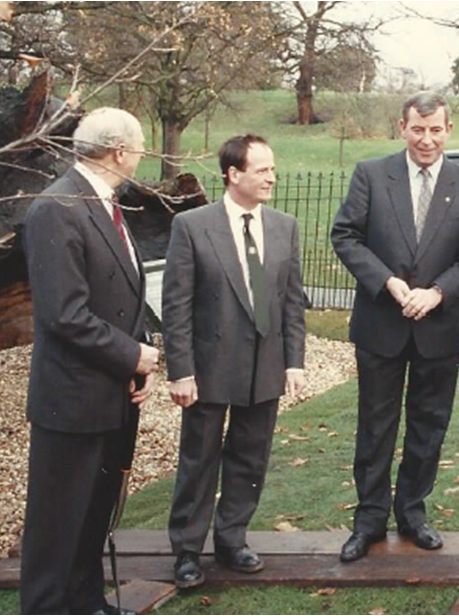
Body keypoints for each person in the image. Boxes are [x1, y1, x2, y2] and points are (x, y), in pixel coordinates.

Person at [331, 92, 459, 563]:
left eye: (435, 130)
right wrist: (389, 284)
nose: (427, 139)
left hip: (438, 328)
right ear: (402, 128)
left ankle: (413, 513)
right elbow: (345, 235)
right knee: (375, 427)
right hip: (382, 324)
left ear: (448, 130)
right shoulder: (372, 175)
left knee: (428, 426)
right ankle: (368, 520)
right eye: (418, 130)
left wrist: (438, 292)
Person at [20, 107, 158, 615]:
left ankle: (86, 603)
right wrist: (133, 354)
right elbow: (65, 314)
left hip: (110, 394)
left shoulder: (105, 206)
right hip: (71, 400)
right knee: (58, 522)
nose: (141, 160)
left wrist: (136, 364)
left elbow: (120, 294)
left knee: (92, 515)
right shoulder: (58, 208)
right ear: (120, 151)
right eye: (139, 150)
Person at [162, 134, 306, 588]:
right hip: (208, 368)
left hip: (265, 365)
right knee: (199, 459)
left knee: (250, 459)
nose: (272, 178)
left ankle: (232, 539)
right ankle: (187, 550)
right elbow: (176, 305)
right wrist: (180, 370)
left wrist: (294, 362)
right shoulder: (192, 226)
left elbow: (291, 303)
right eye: (262, 170)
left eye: (273, 169)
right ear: (233, 174)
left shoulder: (285, 226)